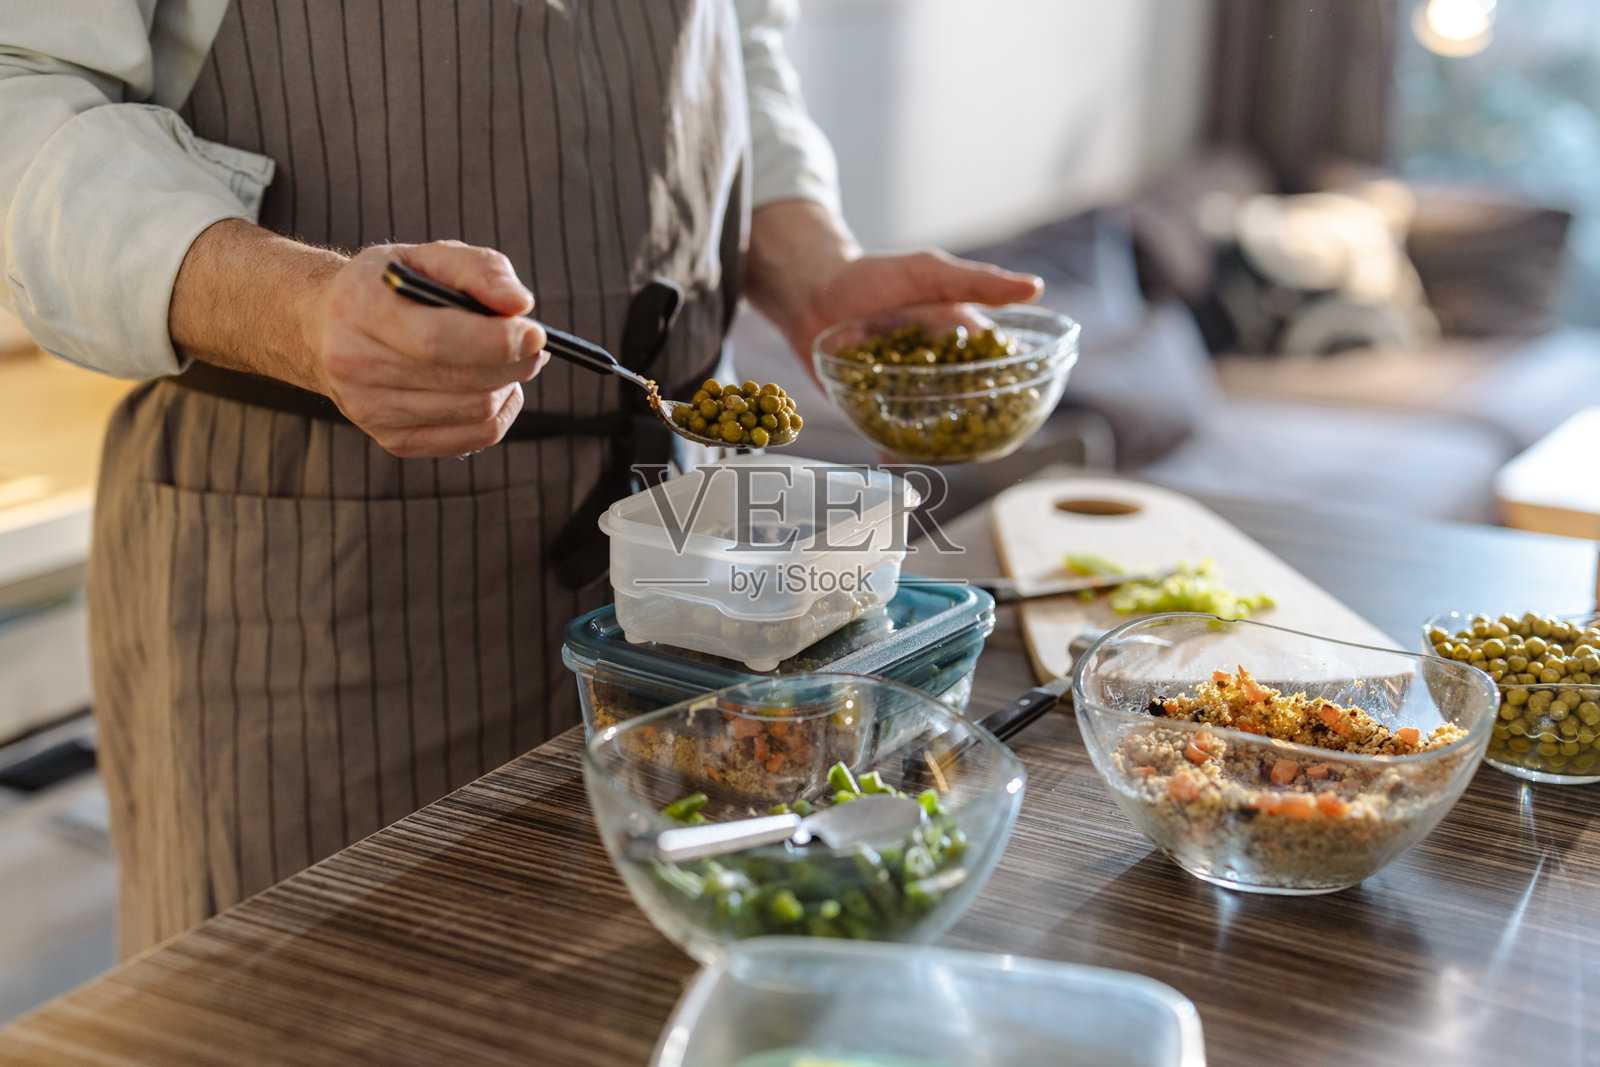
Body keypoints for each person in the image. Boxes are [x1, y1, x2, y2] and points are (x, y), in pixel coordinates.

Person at [0, 0, 1042, 956]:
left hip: (683, 552)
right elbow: (21, 91)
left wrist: (813, 266)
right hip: (322, 565)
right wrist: (297, 308)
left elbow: (734, 40)